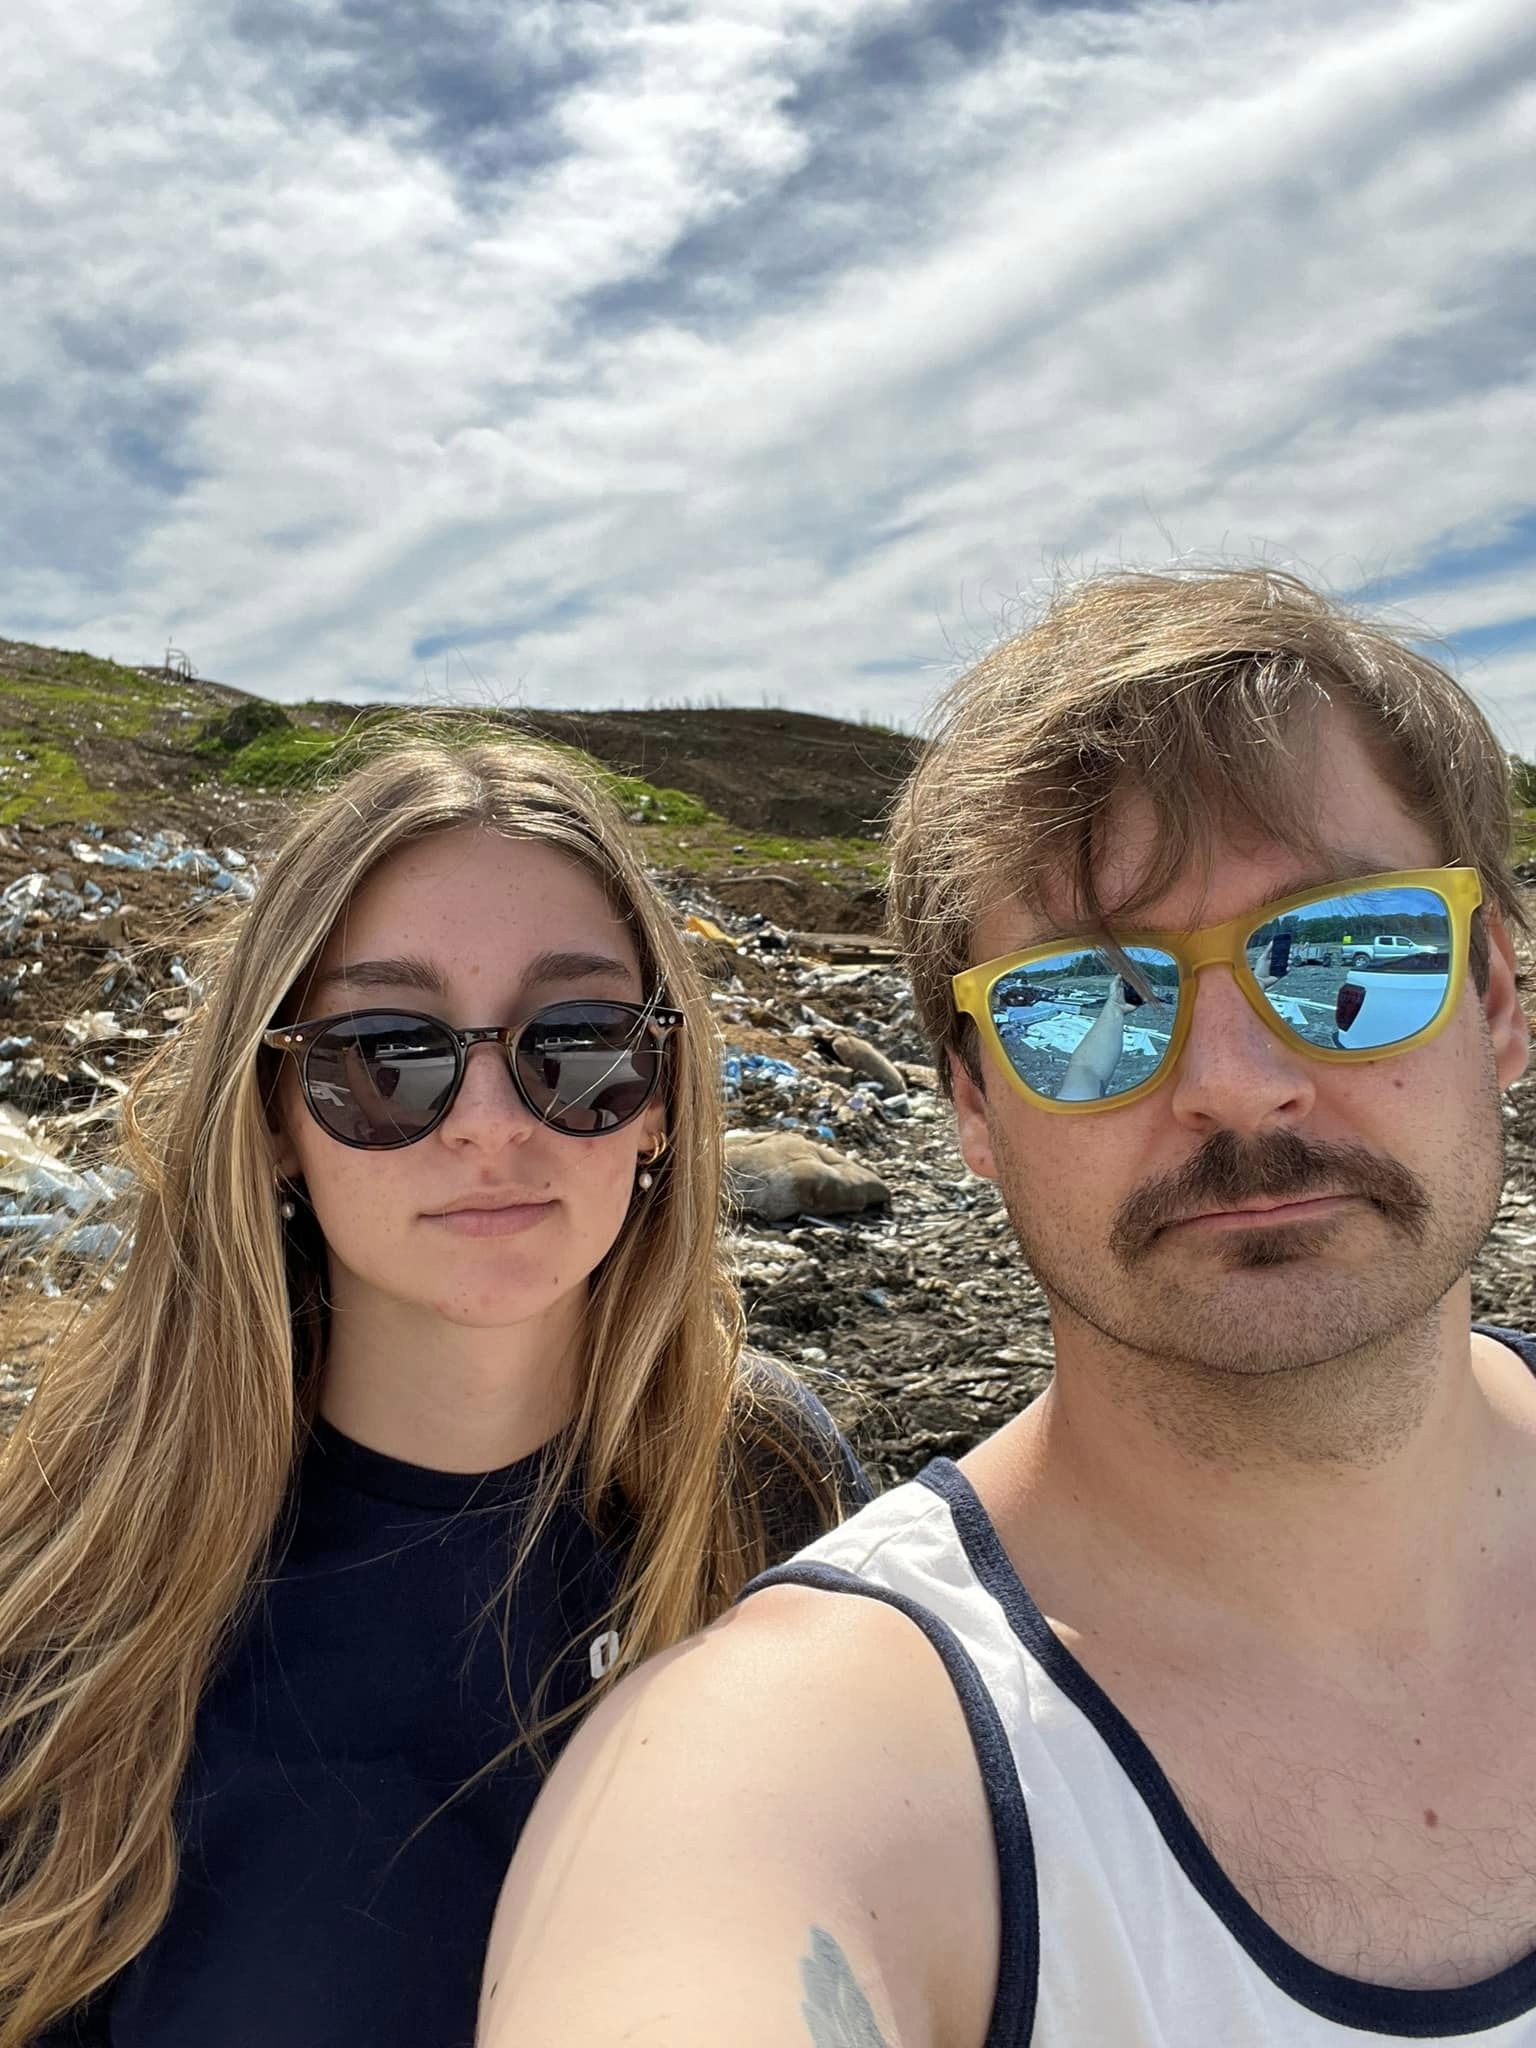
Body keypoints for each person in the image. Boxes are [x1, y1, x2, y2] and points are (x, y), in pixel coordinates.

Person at [478, 569, 1536, 2047]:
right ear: (972, 1102)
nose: (1232, 1079)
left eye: (1349, 952)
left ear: (1496, 993)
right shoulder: (803, 1763)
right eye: (1084, 1004)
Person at [0, 726, 867, 2048]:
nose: (487, 1121)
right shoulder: (80, 1568)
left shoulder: (765, 1479)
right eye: (386, 1051)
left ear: (664, 1101)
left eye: (576, 1043)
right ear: (276, 1111)